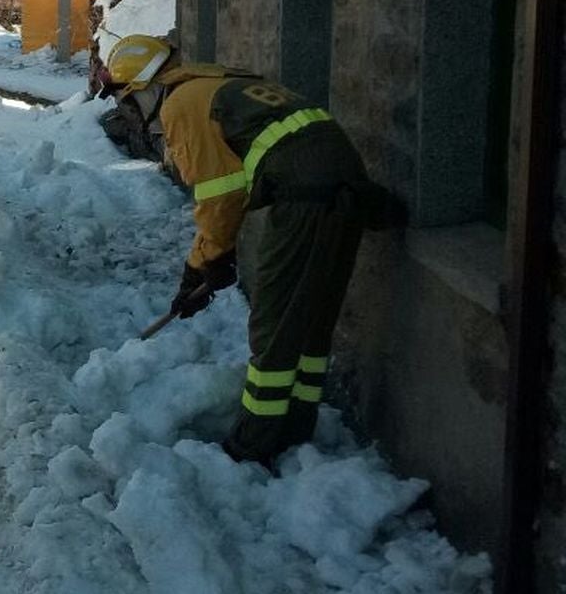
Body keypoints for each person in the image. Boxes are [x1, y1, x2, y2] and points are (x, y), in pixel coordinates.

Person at [101, 34, 400, 466]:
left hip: (306, 196)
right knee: (310, 316)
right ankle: (297, 427)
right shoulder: (216, 82)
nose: (134, 114)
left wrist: (201, 265)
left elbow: (220, 196)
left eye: (128, 101)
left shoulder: (181, 104)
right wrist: (215, 262)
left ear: (143, 87)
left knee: (273, 323)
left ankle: (252, 445)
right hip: (344, 187)